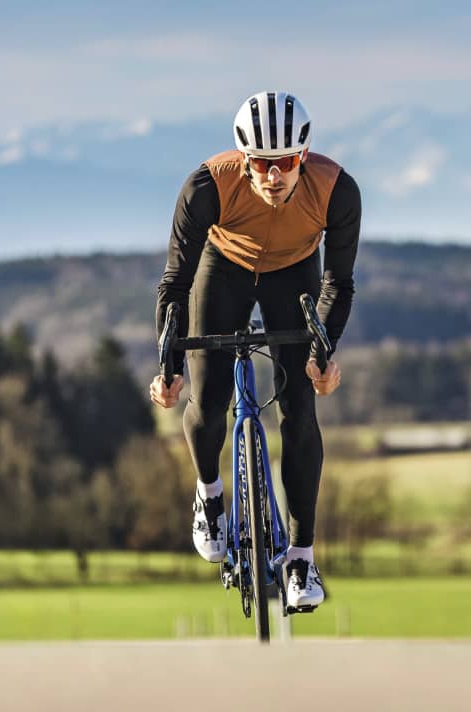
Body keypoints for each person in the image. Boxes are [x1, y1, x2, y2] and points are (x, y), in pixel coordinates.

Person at [150, 91, 361, 611]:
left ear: (303, 157)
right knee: (209, 394)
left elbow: (338, 283)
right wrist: (169, 365)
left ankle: (301, 558)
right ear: (243, 160)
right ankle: (209, 494)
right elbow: (176, 283)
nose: (273, 176)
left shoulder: (337, 191)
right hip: (222, 267)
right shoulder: (206, 186)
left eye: (285, 164)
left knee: (300, 410)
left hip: (294, 273)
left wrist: (323, 354)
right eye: (261, 165)